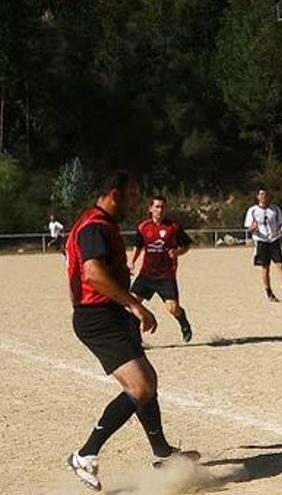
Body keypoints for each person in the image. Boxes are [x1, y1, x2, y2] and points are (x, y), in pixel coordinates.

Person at [65, 171, 199, 491]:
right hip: (98, 317)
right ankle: (85, 454)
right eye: (133, 195)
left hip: (109, 313)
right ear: (115, 194)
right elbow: (93, 274)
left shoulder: (97, 223)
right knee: (140, 387)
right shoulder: (95, 226)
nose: (136, 202)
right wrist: (135, 305)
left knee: (147, 382)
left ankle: (162, 453)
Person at [129, 195, 194, 343]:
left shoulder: (174, 227)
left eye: (163, 207)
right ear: (151, 209)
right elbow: (138, 246)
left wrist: (177, 252)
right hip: (146, 274)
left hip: (166, 275)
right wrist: (132, 261)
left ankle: (184, 323)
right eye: (157, 207)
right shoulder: (143, 227)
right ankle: (135, 338)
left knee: (173, 308)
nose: (160, 210)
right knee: (133, 303)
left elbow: (187, 246)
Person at [244, 187, 282, 302]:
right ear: (257, 196)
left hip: (274, 240)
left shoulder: (275, 209)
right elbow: (249, 228)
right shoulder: (252, 210)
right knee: (265, 268)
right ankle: (269, 292)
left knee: (280, 265)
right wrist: (253, 228)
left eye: (266, 195)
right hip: (261, 241)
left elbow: (280, 224)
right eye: (261, 195)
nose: (264, 197)